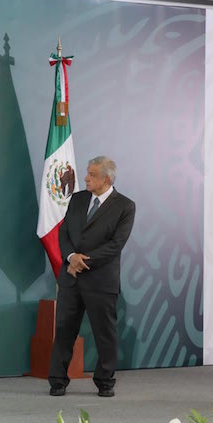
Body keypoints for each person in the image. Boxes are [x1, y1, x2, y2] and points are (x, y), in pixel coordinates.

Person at [49, 156, 136, 397]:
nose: (85, 178)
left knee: (105, 334)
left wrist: (81, 261)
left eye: (91, 174)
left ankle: (105, 382)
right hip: (71, 279)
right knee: (64, 330)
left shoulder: (125, 206)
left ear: (107, 180)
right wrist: (70, 257)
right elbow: (64, 233)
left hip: (101, 281)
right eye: (87, 173)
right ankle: (57, 380)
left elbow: (116, 245)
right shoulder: (77, 199)